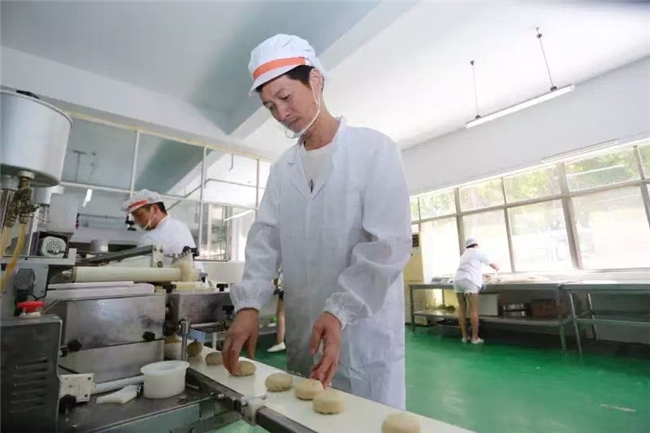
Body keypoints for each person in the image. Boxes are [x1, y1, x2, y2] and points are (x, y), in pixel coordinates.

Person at [222, 34, 412, 409]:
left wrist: (339, 311)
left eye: (285, 97)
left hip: (362, 337)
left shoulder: (374, 150)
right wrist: (248, 306)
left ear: (315, 80)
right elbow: (264, 242)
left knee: (366, 421)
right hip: (305, 336)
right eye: (269, 106)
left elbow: (387, 246)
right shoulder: (283, 170)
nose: (280, 113)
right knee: (305, 420)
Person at [121, 189, 197, 257]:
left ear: (154, 209)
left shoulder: (151, 238)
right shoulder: (181, 225)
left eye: (139, 215)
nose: (136, 221)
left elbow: (136, 264)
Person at [453, 238, 499, 344]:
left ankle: (464, 337)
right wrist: (497, 268)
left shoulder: (464, 254)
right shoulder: (478, 252)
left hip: (457, 281)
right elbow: (494, 266)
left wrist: (481, 275)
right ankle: (475, 338)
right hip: (470, 281)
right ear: (476, 245)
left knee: (462, 309)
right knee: (473, 310)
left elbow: (469, 268)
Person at [268, 271, 286, 353]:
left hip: (287, 287)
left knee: (280, 314)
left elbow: (277, 274)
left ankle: (280, 342)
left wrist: (275, 285)